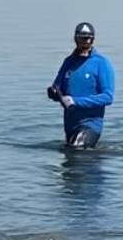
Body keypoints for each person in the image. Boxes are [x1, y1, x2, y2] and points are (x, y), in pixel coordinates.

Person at [47, 21, 116, 149]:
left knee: (77, 151)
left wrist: (76, 101)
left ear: (93, 39)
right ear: (75, 39)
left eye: (89, 38)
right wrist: (54, 93)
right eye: (82, 38)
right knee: (70, 164)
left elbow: (108, 97)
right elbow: (59, 88)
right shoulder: (68, 62)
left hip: (91, 124)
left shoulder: (102, 63)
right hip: (70, 124)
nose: (86, 41)